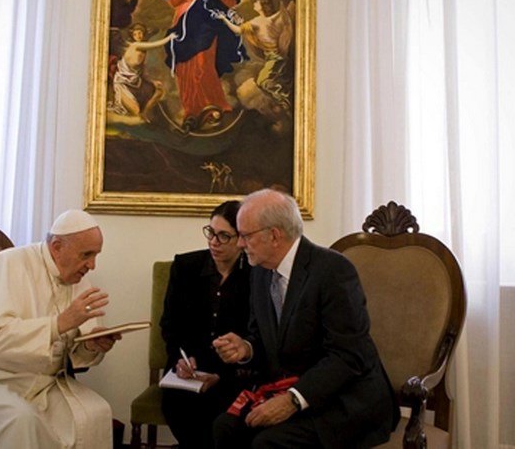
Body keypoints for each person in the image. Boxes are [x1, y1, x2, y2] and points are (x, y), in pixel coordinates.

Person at [212, 189, 400, 449]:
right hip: (291, 389)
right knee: (225, 428)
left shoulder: (333, 271)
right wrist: (246, 348)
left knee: (268, 443)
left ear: (274, 235)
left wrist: (293, 400)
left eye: (246, 236)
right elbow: (264, 338)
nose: (240, 245)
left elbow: (348, 355)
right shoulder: (260, 272)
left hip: (344, 399)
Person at [0, 209, 122, 449]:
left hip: (38, 382)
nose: (92, 265)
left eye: (96, 255)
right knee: (20, 420)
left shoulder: (79, 278)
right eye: (86, 254)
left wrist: (90, 345)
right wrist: (59, 324)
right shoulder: (9, 264)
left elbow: (71, 353)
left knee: (95, 412)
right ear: (57, 247)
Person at [159, 200, 253, 449]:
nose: (213, 242)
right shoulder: (185, 267)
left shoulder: (256, 275)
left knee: (224, 419)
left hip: (232, 374)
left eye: (224, 236)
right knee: (179, 407)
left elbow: (256, 334)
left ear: (241, 239)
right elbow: (169, 324)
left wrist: (221, 375)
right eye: (211, 232)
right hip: (188, 370)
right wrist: (181, 358)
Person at [152, 0, 248, 131]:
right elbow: (173, 1)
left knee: (204, 63)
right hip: (185, 23)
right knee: (185, 67)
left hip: (207, 24)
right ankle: (191, 109)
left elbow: (230, 1)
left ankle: (213, 103)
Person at [107, 23, 172, 122]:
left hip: (136, 82)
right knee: (135, 111)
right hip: (123, 83)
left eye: (140, 33)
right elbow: (155, 45)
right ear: (132, 36)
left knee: (159, 90)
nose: (138, 36)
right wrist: (169, 38)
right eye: (135, 34)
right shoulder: (135, 45)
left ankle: (145, 113)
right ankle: (136, 111)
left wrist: (152, 81)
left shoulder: (143, 51)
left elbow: (141, 72)